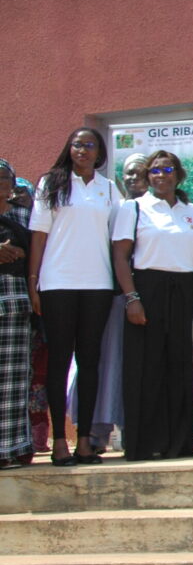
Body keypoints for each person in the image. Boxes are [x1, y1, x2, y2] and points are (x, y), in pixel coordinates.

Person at [27, 128, 121, 465]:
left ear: (100, 152)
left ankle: (84, 442)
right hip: (57, 284)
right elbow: (38, 236)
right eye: (77, 144)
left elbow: (118, 238)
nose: (82, 149)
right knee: (59, 361)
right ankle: (59, 443)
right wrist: (33, 283)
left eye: (90, 145)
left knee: (90, 362)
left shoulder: (108, 188)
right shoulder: (51, 183)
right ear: (70, 148)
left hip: (97, 285)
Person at [112, 150, 193, 461]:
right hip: (147, 292)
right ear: (147, 176)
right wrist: (132, 298)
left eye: (167, 169)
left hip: (185, 293)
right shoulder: (133, 208)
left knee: (180, 368)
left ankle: (179, 444)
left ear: (178, 174)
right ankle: (143, 444)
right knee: (146, 369)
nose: (161, 175)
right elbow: (121, 257)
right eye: (155, 170)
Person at [88, 153, 149, 453]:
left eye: (140, 172)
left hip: (150, 297)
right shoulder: (113, 208)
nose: (133, 178)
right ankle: (98, 433)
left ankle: (134, 431)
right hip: (115, 297)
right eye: (127, 173)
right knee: (108, 364)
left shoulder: (154, 209)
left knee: (139, 367)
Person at [0, 161, 34, 469]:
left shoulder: (21, 217)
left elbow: (36, 254)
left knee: (12, 381)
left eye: (4, 179)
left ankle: (9, 449)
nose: (0, 184)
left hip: (14, 306)